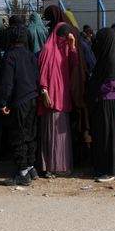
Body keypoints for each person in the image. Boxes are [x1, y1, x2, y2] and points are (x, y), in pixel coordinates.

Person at [0, 25, 40, 186]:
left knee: (18, 136)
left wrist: (3, 102)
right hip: (33, 98)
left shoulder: (10, 56)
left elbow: (7, 83)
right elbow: (37, 76)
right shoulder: (30, 55)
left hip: (19, 100)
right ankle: (30, 167)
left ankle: (22, 172)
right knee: (30, 135)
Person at [37, 23, 77, 177]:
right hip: (51, 96)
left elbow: (73, 66)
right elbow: (43, 73)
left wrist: (72, 47)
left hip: (62, 95)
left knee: (61, 134)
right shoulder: (48, 49)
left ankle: (61, 165)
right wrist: (45, 92)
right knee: (51, 133)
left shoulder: (65, 48)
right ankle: (49, 166)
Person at [88, 28, 115, 182]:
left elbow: (112, 83)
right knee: (108, 136)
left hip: (107, 102)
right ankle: (111, 167)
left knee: (107, 137)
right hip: (110, 103)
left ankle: (110, 170)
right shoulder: (111, 55)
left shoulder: (110, 58)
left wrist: (95, 90)